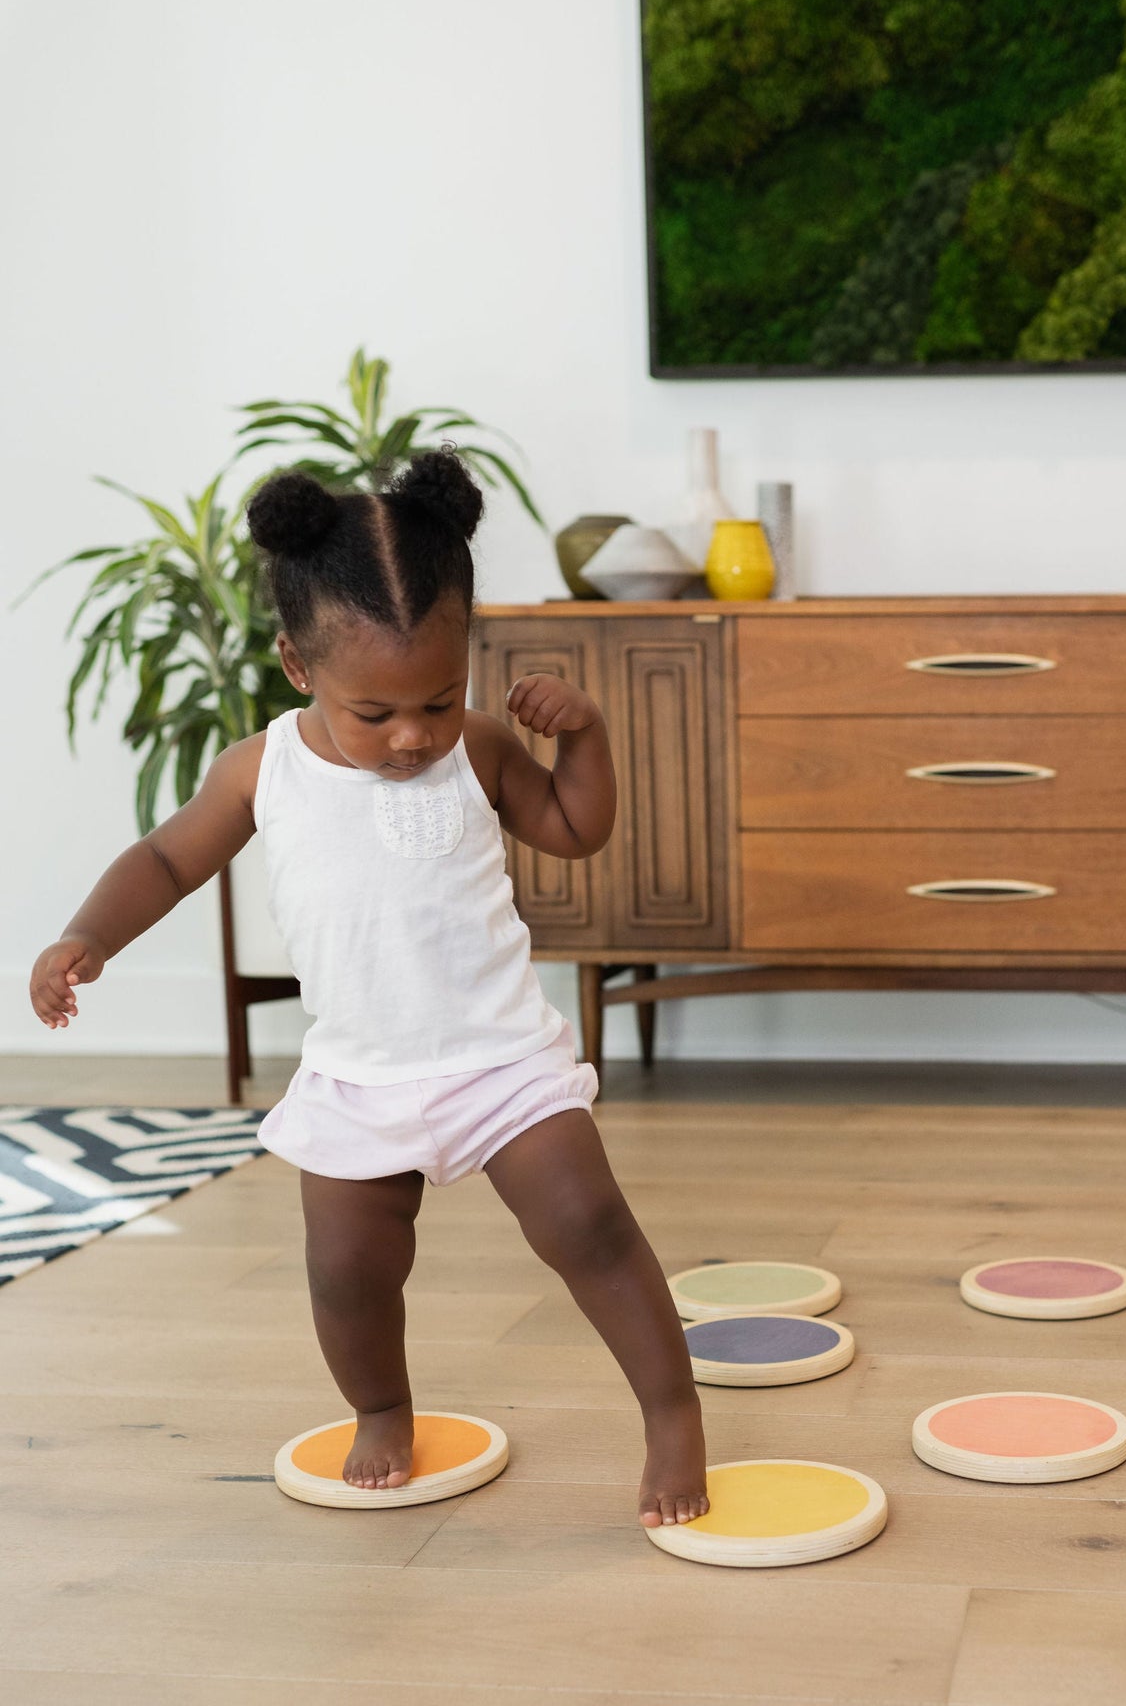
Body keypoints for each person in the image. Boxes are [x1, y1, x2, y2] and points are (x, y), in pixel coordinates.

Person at [28, 448, 709, 1528]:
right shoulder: (261, 771)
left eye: (439, 699)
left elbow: (578, 830)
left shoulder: (477, 751)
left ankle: (672, 1412)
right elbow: (165, 859)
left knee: (591, 1227)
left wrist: (584, 735)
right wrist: (85, 936)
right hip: (357, 1072)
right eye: (376, 712)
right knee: (346, 1268)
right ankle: (382, 1406)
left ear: (468, 662)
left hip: (499, 1058)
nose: (412, 736)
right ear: (299, 667)